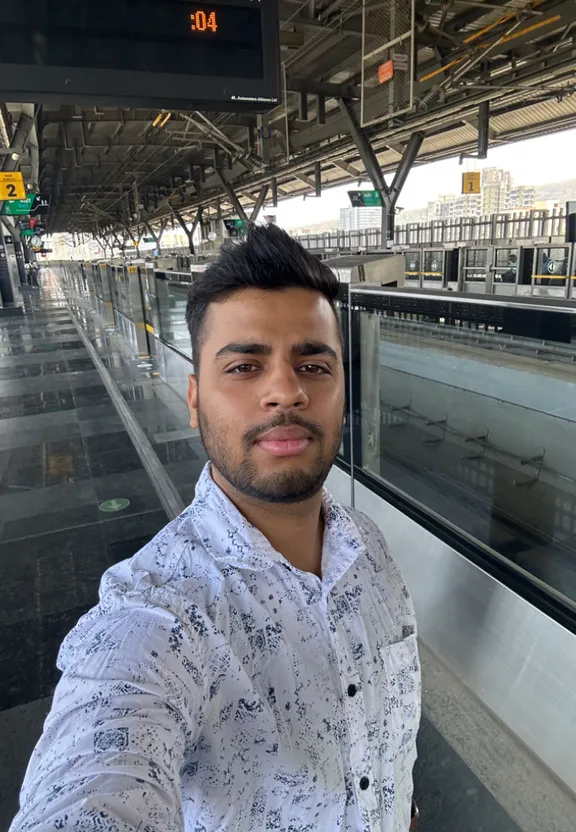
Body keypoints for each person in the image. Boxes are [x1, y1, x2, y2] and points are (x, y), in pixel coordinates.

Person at [10, 225, 420, 832]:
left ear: (341, 392)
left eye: (313, 364)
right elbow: (94, 779)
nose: (286, 391)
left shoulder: (369, 545)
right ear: (195, 399)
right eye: (245, 366)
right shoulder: (157, 617)